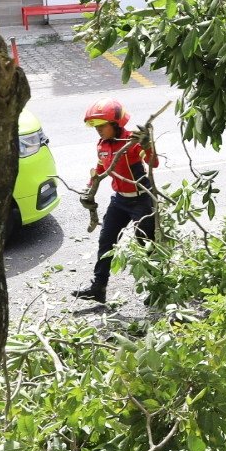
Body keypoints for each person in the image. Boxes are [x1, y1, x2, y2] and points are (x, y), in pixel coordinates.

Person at [73, 97, 158, 304]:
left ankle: (157, 288)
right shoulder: (102, 144)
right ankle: (98, 288)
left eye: (102, 125)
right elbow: (101, 169)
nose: (98, 130)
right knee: (106, 242)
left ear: (116, 124)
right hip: (119, 201)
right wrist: (89, 189)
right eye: (95, 126)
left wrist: (147, 144)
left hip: (141, 202)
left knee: (146, 245)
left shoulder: (132, 141)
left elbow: (153, 163)